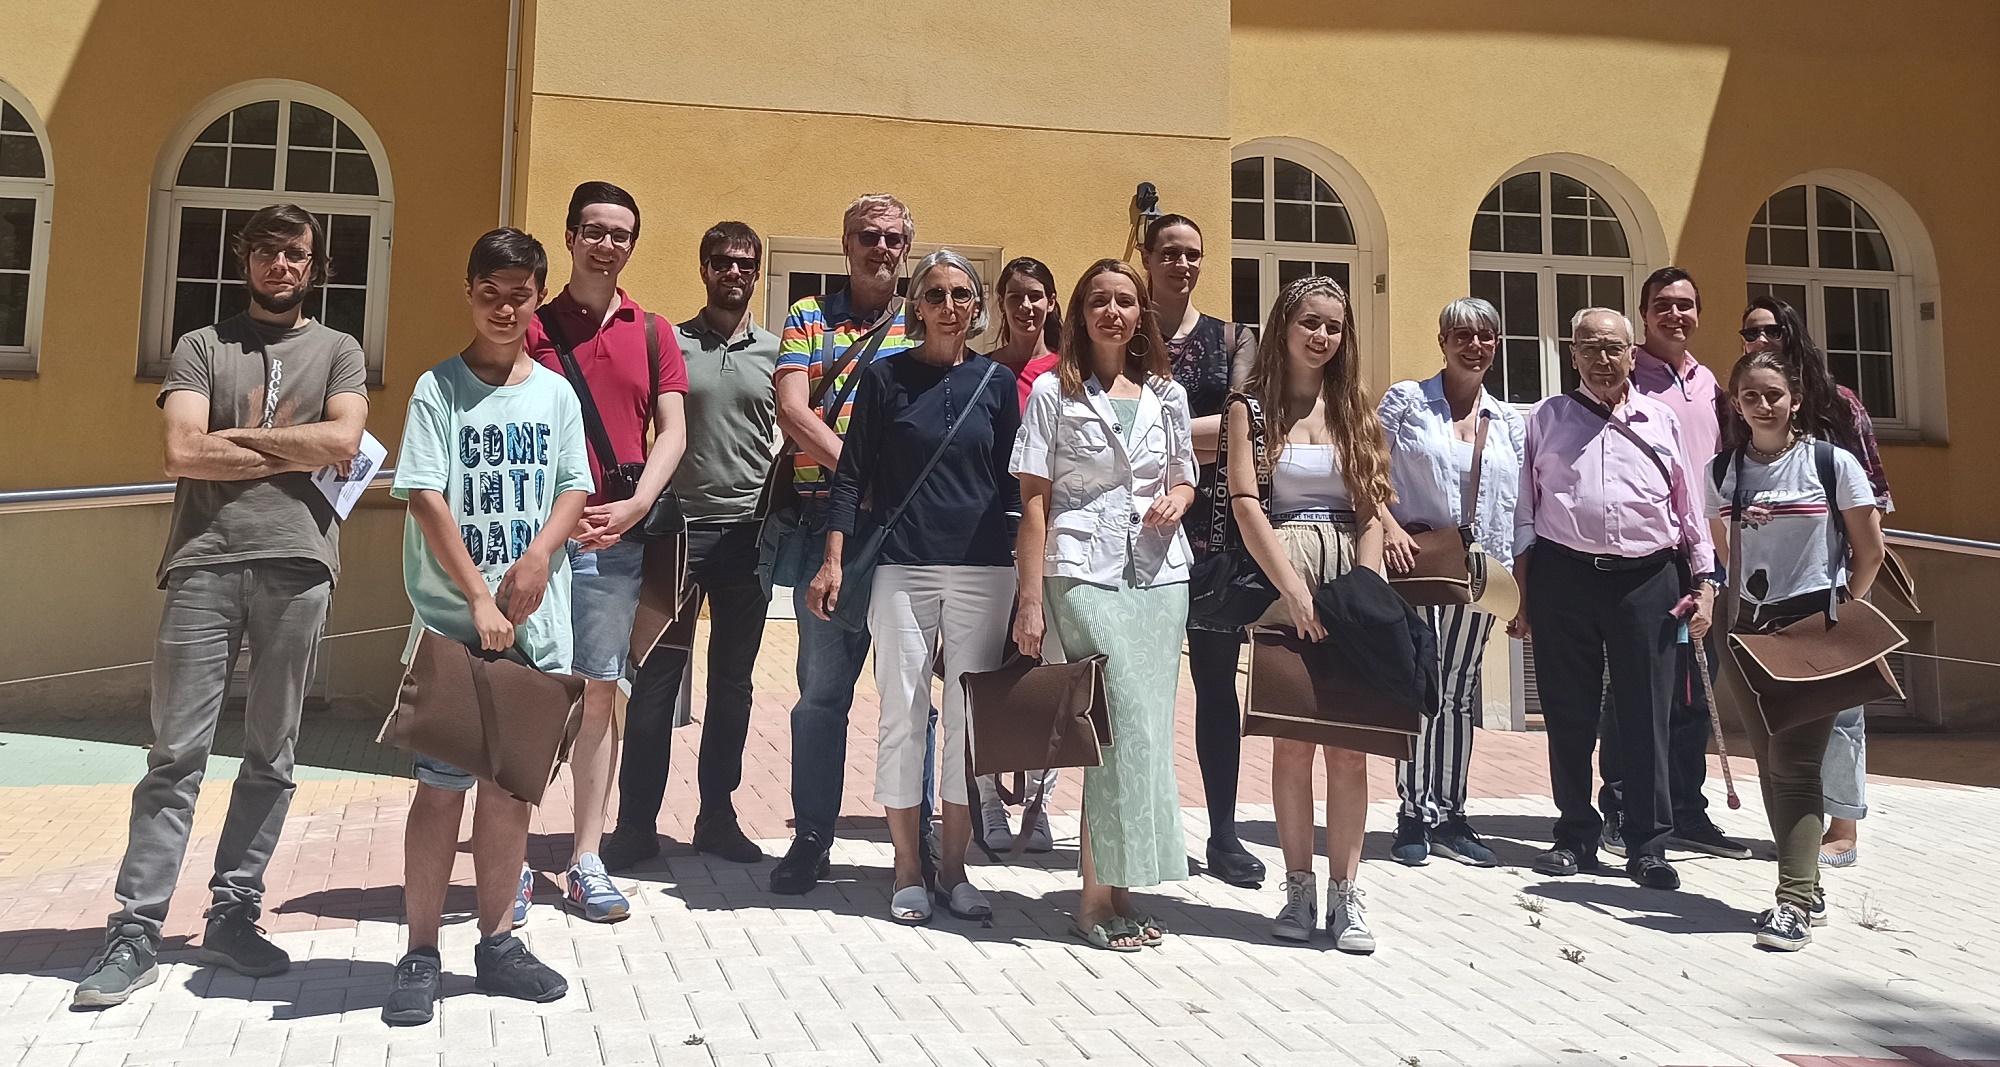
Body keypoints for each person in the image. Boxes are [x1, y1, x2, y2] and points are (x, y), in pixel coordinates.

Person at [74, 205, 370, 1010]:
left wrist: (235, 443)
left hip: (299, 565)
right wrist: (293, 443)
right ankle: (135, 929)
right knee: (175, 753)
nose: (281, 264)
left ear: (315, 266)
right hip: (203, 564)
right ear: (246, 258)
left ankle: (234, 914)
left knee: (272, 754)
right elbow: (181, 450)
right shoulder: (202, 345)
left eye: (296, 253)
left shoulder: (339, 349)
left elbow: (345, 444)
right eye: (267, 250)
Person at [380, 228, 591, 1026]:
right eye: (490, 293)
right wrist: (476, 597)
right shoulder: (438, 389)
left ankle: (498, 942)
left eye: (519, 296)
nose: (504, 308)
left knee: (509, 794)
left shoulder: (556, 394)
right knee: (440, 791)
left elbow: (573, 485)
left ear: (538, 299)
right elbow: (425, 495)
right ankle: (420, 951)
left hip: (538, 631)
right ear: (469, 291)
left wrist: (538, 556)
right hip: (453, 625)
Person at [807, 250, 1021, 923]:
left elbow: (1014, 487)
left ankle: (954, 870)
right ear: (916, 306)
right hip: (903, 566)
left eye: (961, 294)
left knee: (966, 722)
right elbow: (851, 476)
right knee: (902, 713)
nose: (949, 306)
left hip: (984, 570)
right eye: (935, 294)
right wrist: (834, 559)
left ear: (976, 305)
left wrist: (1028, 579)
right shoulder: (884, 378)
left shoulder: (997, 383)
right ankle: (907, 867)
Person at [1011, 258, 1195, 951]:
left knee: (1145, 733)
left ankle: (1122, 890)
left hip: (1159, 576)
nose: (1112, 312)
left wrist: (1179, 498)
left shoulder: (1168, 396)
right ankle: (1093, 901)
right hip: (1082, 572)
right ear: (1080, 313)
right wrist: (1030, 600)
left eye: (1125, 301)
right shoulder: (1051, 393)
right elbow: (1034, 501)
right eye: (1099, 301)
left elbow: (1185, 477)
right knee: (1111, 727)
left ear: (1142, 313)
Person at [525, 182, 689, 922]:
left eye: (620, 234)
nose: (606, 245)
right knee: (529, 696)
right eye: (593, 230)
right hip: (538, 545)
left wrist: (639, 503)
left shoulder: (651, 331)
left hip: (614, 542)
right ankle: (513, 857)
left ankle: (586, 857)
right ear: (569, 237)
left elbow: (672, 430)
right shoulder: (531, 323)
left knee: (599, 694)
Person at [1512, 307, 1716, 891]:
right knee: (1567, 711)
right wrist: (1522, 593)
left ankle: (1647, 843)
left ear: (1632, 354)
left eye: (1613, 349)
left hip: (1648, 579)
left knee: (1647, 711)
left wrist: (1704, 582)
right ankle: (1574, 833)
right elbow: (1524, 511)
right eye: (1589, 348)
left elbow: (1689, 507)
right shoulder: (1546, 417)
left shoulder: (1661, 419)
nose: (1602, 360)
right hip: (1564, 576)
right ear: (1572, 355)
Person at [604, 223, 782, 872]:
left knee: (732, 686)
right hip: (675, 534)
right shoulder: (668, 343)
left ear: (757, 272)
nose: (734, 272)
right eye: (722, 262)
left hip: (749, 538)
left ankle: (717, 818)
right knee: (655, 681)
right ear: (703, 268)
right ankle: (635, 825)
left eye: (745, 263)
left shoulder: (777, 353)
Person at [1224, 276, 1392, 952]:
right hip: (1281, 573)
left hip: (1348, 577)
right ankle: (1297, 890)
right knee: (1292, 742)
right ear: (1284, 326)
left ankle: (1347, 894)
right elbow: (1245, 503)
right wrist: (1292, 588)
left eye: (1334, 326)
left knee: (1350, 748)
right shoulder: (1251, 407)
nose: (1322, 336)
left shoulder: (1354, 407)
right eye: (1310, 322)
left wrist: (1366, 589)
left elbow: (1372, 509)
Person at [766, 194, 920, 895]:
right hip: (823, 522)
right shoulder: (808, 316)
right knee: (821, 696)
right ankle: (811, 838)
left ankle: (916, 845)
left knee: (910, 696)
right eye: (867, 236)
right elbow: (793, 411)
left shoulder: (923, 319)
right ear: (846, 244)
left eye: (892, 238)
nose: (879, 247)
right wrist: (864, 475)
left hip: (901, 536)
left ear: (906, 249)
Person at [1706, 349, 1883, 950]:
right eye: (1750, 396)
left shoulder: (1831, 463)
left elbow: (1870, 550)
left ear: (1796, 399)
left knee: (1797, 763)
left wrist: (1842, 611)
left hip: (1814, 627)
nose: (1763, 405)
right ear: (1737, 404)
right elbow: (1724, 550)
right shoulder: (1721, 471)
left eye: (1774, 394)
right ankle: (1807, 885)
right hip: (1745, 628)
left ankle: (1793, 904)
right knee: (1773, 765)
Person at [1737, 295, 1894, 869]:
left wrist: (1852, 588)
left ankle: (1842, 826)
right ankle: (1797, 828)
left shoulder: (1837, 401)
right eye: (1750, 333)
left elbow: (1874, 490)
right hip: (1767, 587)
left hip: (1835, 575)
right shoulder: (1748, 398)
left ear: (1792, 333)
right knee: (1783, 713)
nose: (1760, 341)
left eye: (1771, 330)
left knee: (1843, 708)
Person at [1600, 267, 1750, 862]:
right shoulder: (1624, 375)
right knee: (1632, 688)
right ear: (1644, 314)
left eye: (1685, 305)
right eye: (1662, 304)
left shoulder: (1710, 383)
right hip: (1648, 558)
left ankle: (1686, 808)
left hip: (1706, 557)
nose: (1675, 314)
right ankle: (1621, 806)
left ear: (1698, 314)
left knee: (1693, 691)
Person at [1378, 298, 1525, 869]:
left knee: (1461, 689)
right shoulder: (1408, 402)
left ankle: (1451, 813)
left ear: (1496, 345)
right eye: (1462, 335)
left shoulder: (1508, 421)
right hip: (1419, 563)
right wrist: (1390, 528)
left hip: (1482, 572)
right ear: (1442, 342)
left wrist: (1520, 584)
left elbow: (1523, 509)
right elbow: (1369, 472)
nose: (1474, 346)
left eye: (1485, 336)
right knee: (1423, 682)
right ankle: (1413, 813)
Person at [1140, 213, 1264, 888]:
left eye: (1193, 254)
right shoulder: (1126, 330)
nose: (1182, 264)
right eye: (1170, 252)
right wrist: (1203, 435)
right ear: (1147, 257)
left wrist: (1149, 437)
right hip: (1139, 538)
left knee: (1217, 687)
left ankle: (1223, 833)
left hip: (1216, 539)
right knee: (1142, 691)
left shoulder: (1234, 337)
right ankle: (1145, 827)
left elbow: (1248, 427)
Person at [975, 255, 1064, 852]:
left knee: (1048, 675)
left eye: (1036, 295)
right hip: (987, 538)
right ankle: (987, 803)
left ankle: (1039, 801)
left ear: (1051, 302)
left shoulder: (1072, 373)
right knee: (984, 671)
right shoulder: (982, 372)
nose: (1027, 306)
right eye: (1015, 296)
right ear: (1001, 305)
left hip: (1055, 542)